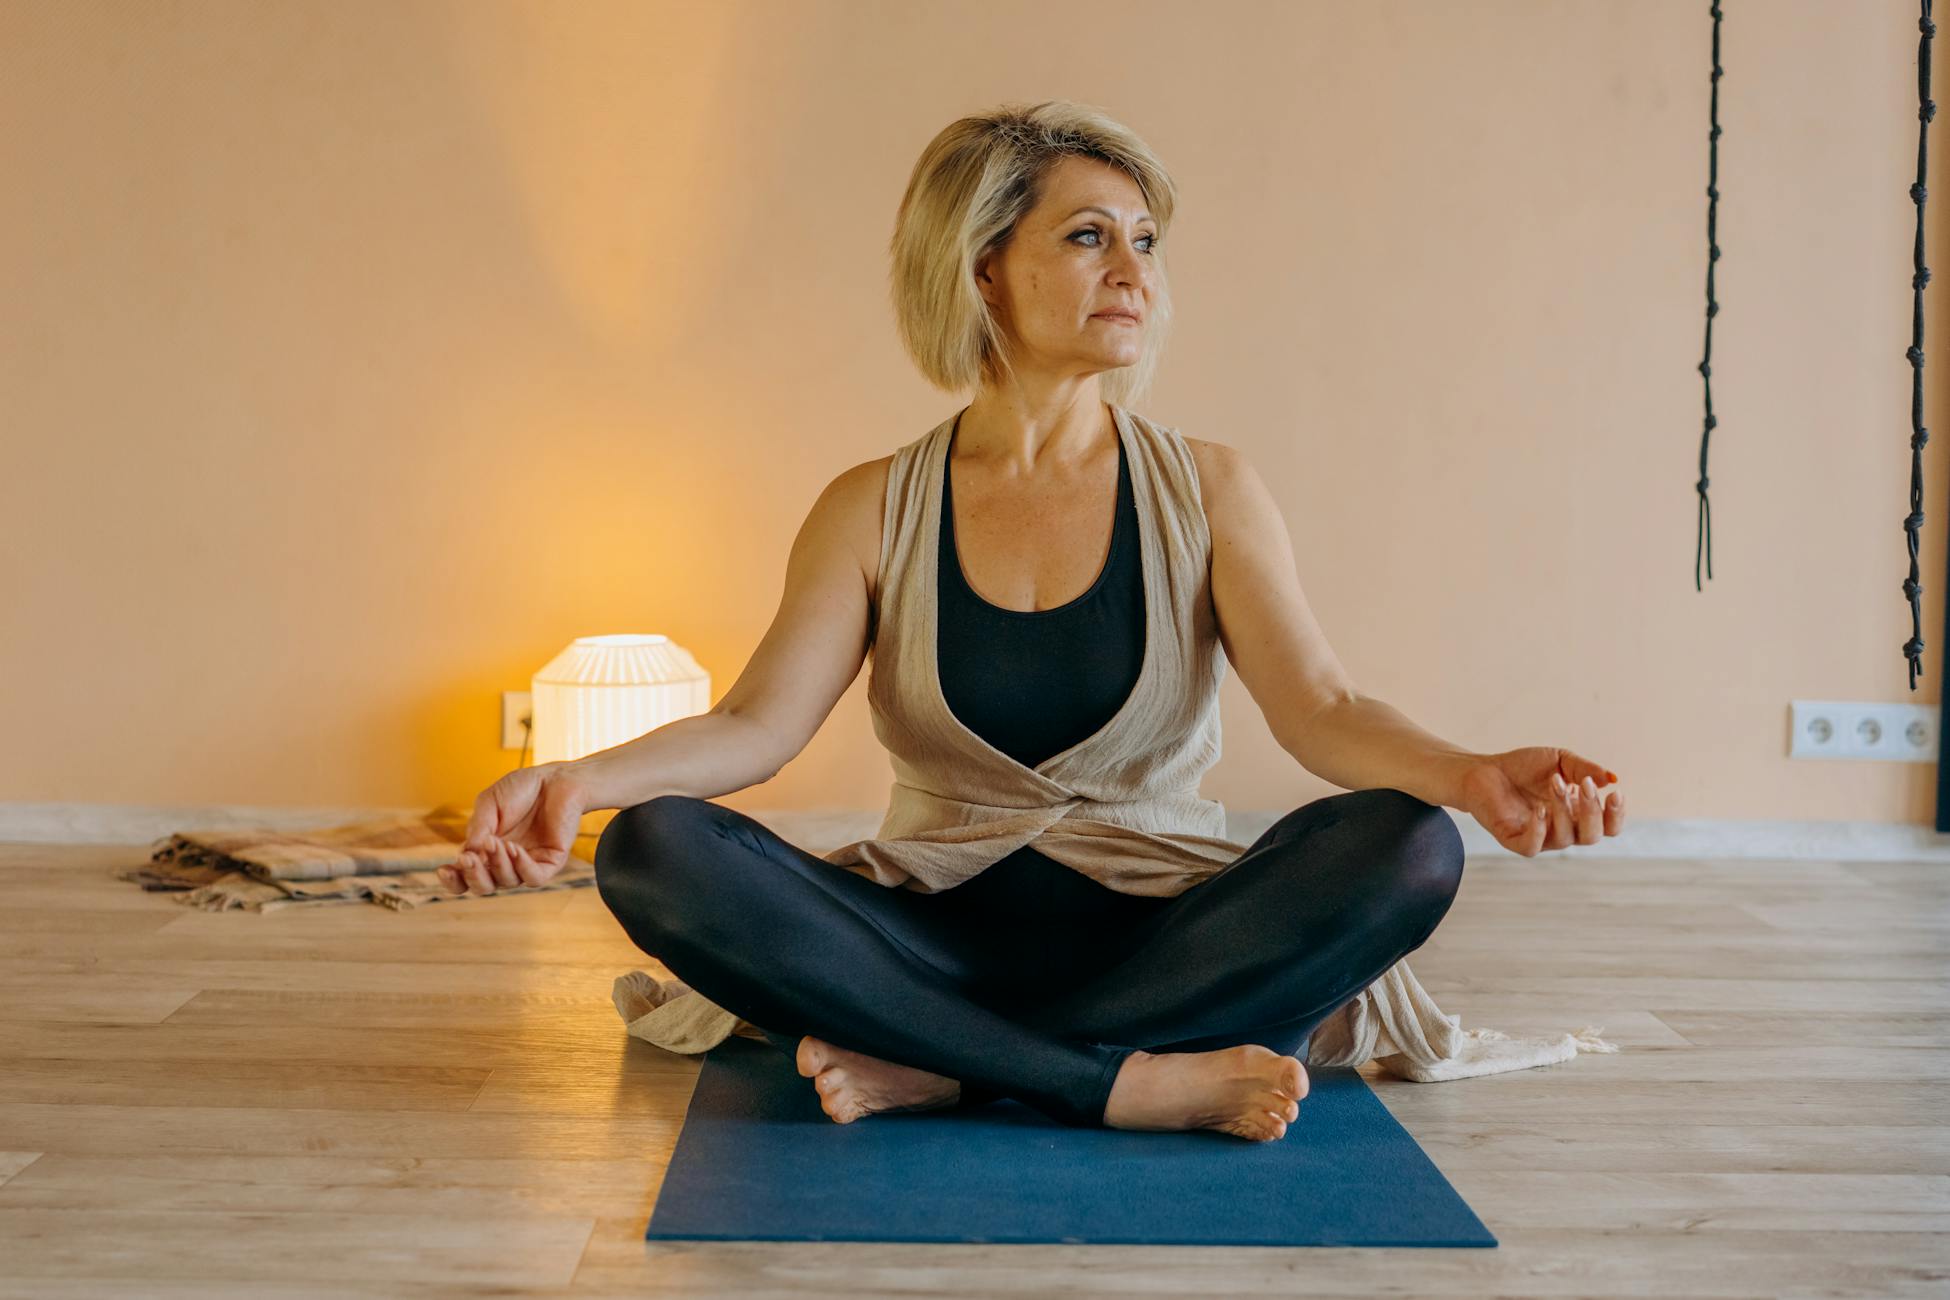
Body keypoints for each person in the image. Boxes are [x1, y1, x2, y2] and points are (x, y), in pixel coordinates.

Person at [438, 101, 1625, 1141]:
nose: (1135, 270)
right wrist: (579, 778)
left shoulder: (1209, 488)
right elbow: (757, 723)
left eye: (1146, 241)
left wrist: (1472, 775)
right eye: (1088, 235)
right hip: (932, 932)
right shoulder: (871, 506)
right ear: (983, 267)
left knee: (1408, 843)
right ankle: (1105, 1082)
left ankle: (944, 1067)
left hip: (1166, 935)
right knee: (657, 847)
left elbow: (1323, 709)